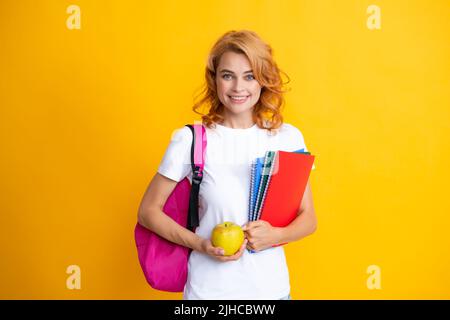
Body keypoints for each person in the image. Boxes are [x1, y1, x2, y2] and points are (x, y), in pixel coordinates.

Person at [137, 30, 317, 300]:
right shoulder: (191, 139)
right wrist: (200, 244)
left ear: (263, 80)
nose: (238, 88)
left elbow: (309, 218)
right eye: (227, 75)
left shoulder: (286, 138)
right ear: (215, 79)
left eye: (249, 76)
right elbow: (148, 212)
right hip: (208, 293)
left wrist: (275, 235)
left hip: (273, 292)